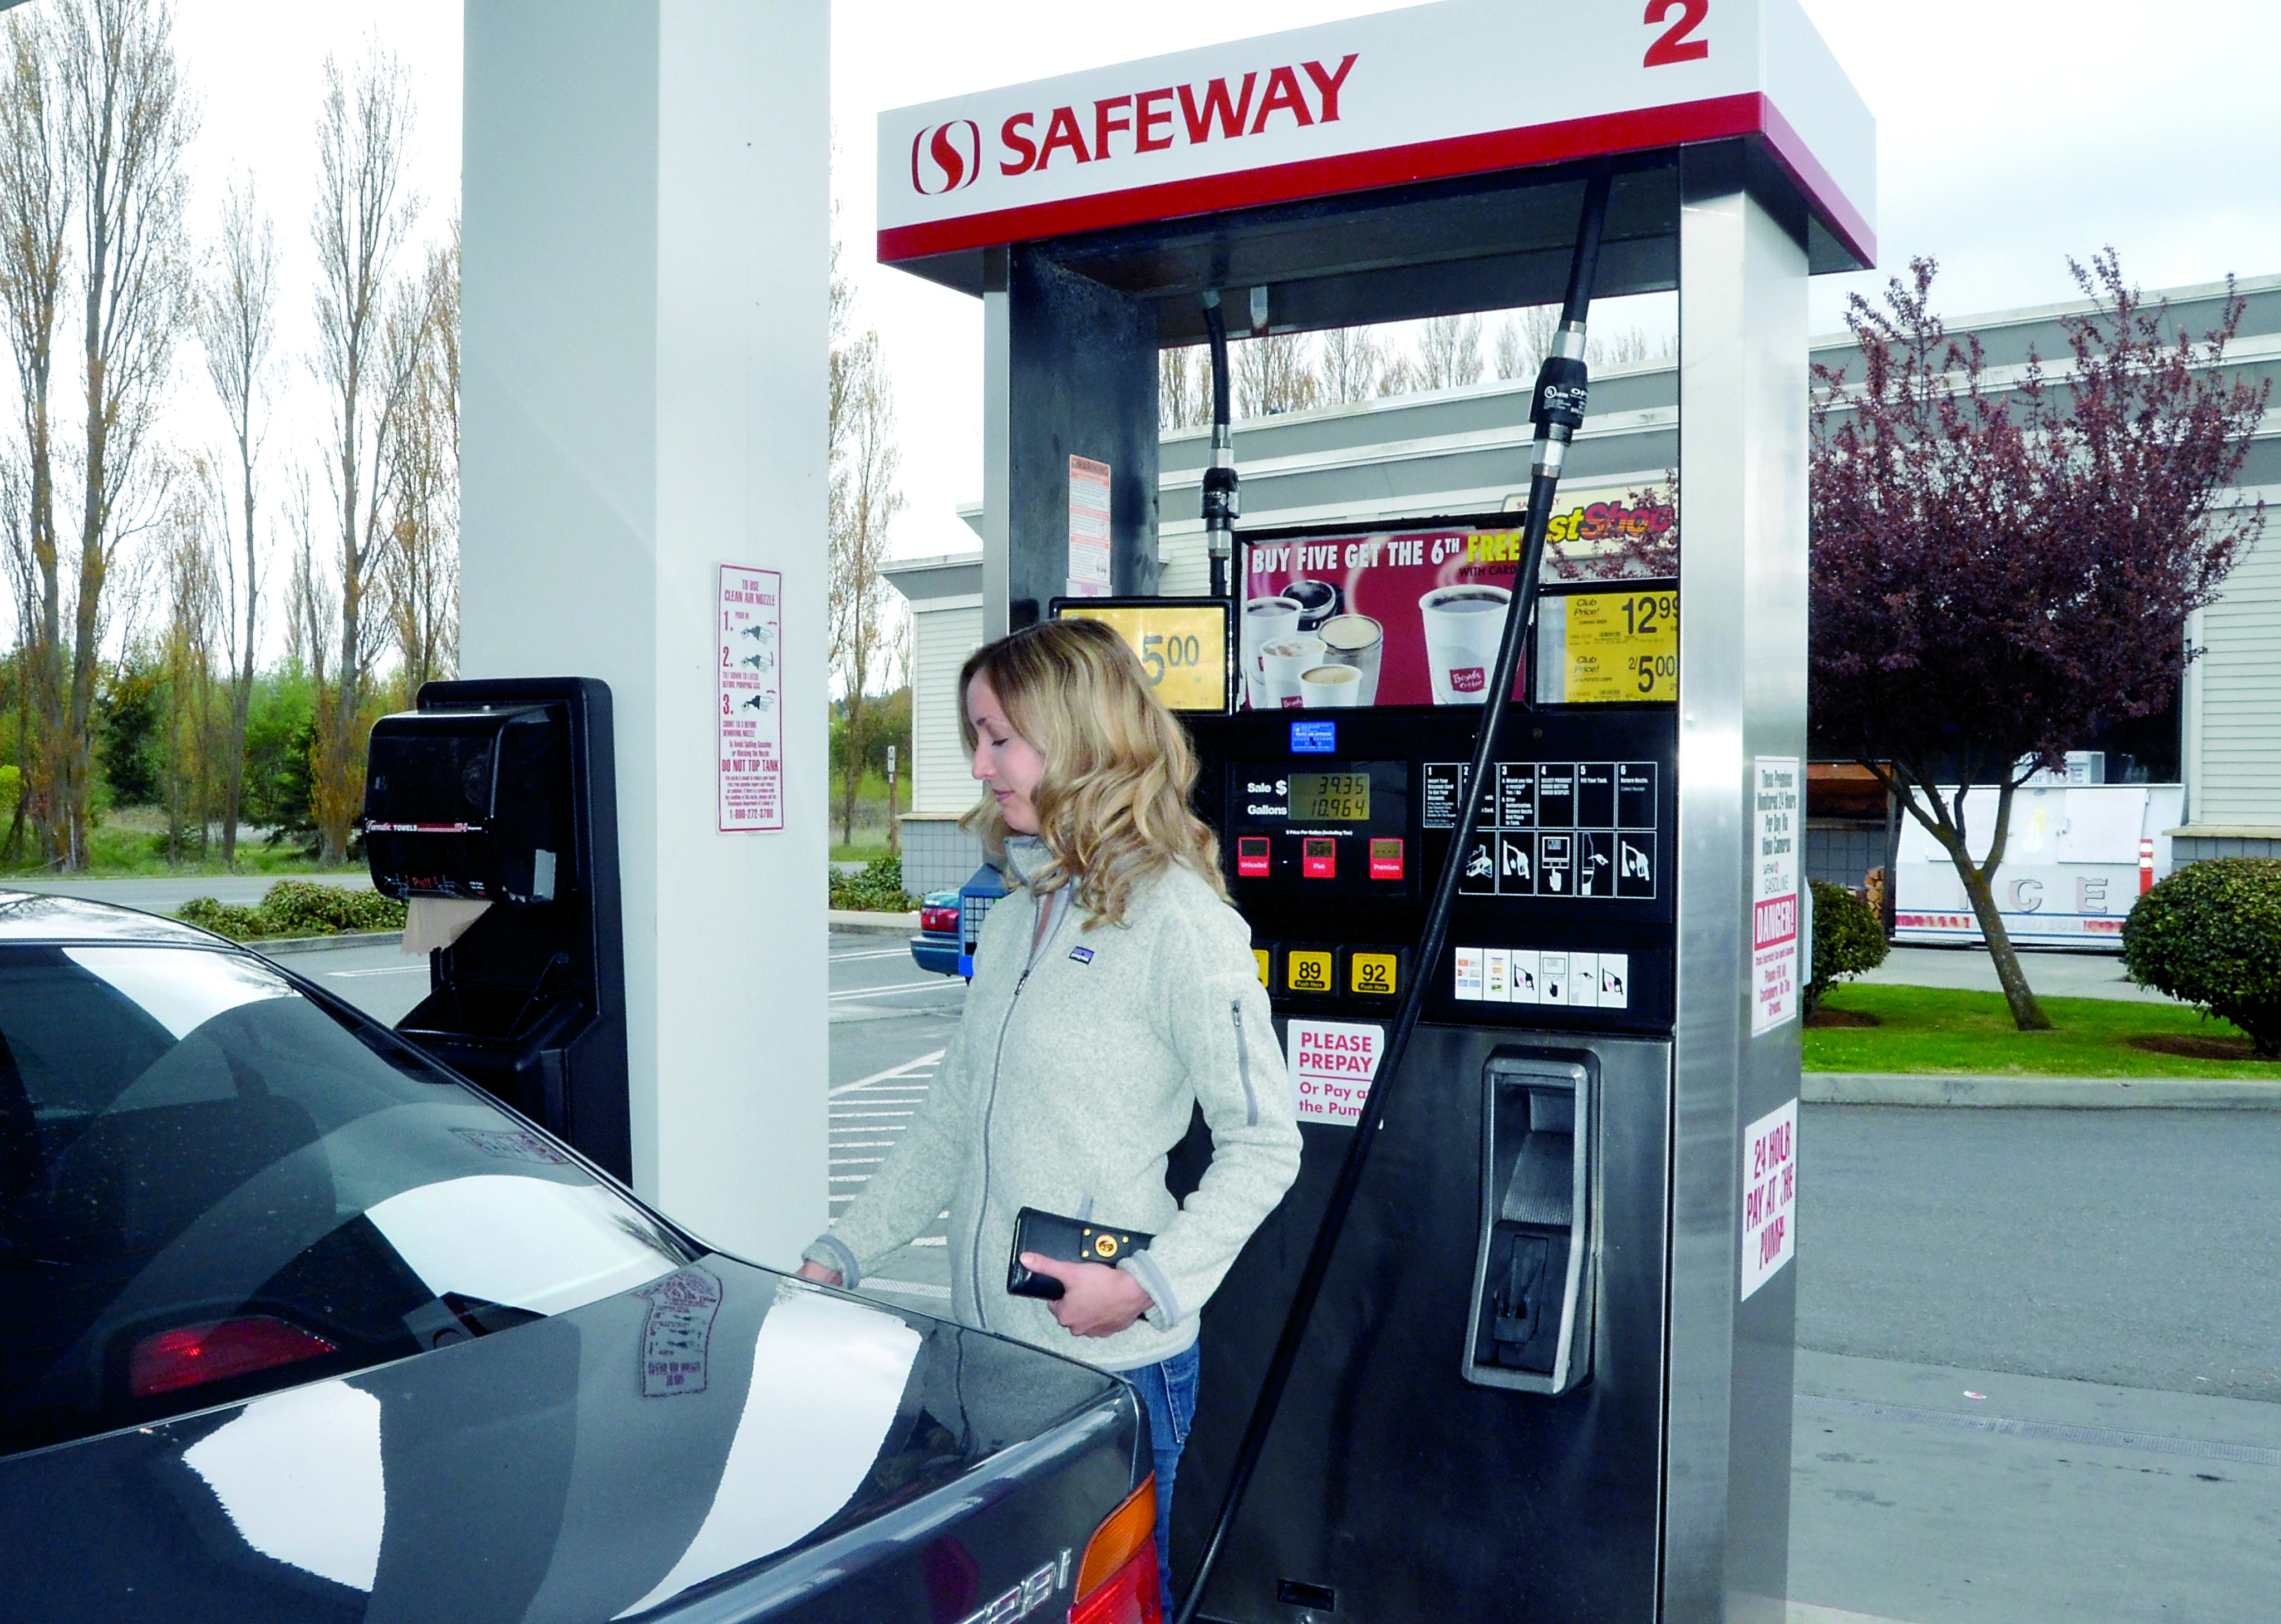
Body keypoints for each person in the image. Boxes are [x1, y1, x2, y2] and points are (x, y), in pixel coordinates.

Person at [797, 618, 1301, 1602]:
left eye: (999, 738)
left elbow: (1264, 1145)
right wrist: (842, 1251)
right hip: (982, 1355)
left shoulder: (1183, 922)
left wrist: (1149, 1282)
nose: (982, 767)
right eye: (975, 738)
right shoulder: (1027, 906)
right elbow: (953, 1114)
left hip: (1107, 1364)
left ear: (1075, 737)